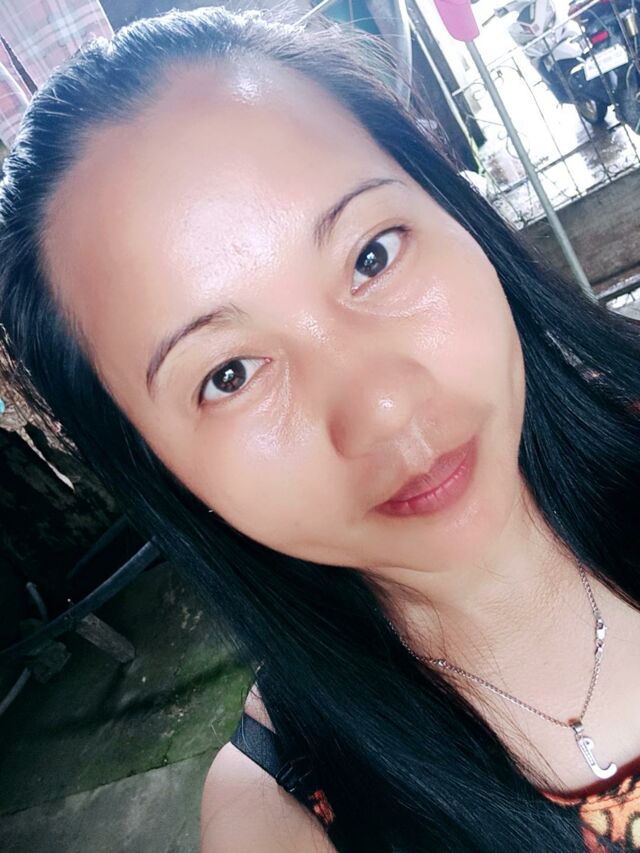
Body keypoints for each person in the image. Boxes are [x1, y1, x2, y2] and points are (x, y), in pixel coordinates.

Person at [1, 7, 639, 852]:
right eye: (228, 374)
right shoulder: (277, 813)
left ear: (451, 208)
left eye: (373, 255)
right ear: (154, 465)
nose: (383, 408)